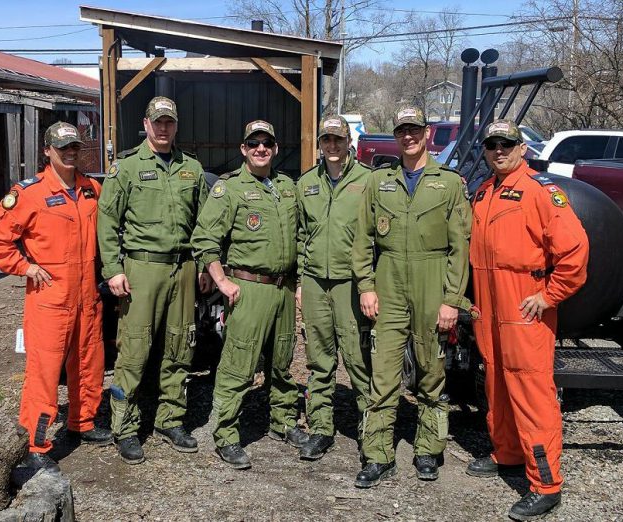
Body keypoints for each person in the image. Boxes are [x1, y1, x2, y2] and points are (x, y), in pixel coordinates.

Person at [467, 119, 588, 521]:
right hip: (489, 303)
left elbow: (574, 253)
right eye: (492, 144)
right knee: (497, 379)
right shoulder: (484, 191)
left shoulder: (541, 191)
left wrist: (549, 295)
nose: (499, 150)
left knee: (531, 389)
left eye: (507, 143)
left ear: (521, 148)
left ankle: (546, 484)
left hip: (523, 303)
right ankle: (508, 453)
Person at [0, 122, 111, 471]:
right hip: (50, 298)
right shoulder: (29, 193)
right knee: (44, 372)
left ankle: (83, 423)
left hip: (87, 295)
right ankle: (35, 444)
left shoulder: (91, 189)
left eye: (74, 147)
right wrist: (23, 267)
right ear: (47, 150)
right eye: (62, 147)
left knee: (89, 362)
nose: (69, 152)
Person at [351, 105, 471, 487]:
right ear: (395, 135)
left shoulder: (449, 184)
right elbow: (363, 240)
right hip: (388, 281)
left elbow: (459, 249)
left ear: (427, 134)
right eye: (402, 130)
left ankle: (427, 450)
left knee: (430, 370)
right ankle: (377, 454)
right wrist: (366, 287)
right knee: (383, 373)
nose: (409, 137)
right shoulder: (378, 181)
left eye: (415, 130)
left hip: (431, 280)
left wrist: (452, 299)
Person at [97, 96, 210, 464]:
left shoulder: (191, 168)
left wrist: (207, 266)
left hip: (184, 267)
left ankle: (170, 419)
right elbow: (108, 222)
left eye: (169, 122)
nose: (163, 128)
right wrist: (113, 269)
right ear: (146, 124)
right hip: (141, 268)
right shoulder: (126, 168)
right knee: (134, 348)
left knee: (181, 346)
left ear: (176, 126)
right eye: (157, 122)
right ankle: (125, 427)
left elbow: (206, 224)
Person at [191, 120, 307, 469]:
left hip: (283, 289)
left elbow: (300, 236)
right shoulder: (230, 189)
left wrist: (299, 282)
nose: (261, 149)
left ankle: (283, 421)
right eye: (254, 143)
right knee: (238, 366)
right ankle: (226, 434)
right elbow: (205, 239)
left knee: (282, 362)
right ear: (243, 149)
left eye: (267, 143)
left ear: (274, 147)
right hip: (249, 287)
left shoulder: (287, 186)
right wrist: (222, 281)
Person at [295, 115, 373, 460]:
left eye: (338, 140)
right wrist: (300, 280)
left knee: (357, 358)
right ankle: (322, 428)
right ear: (320, 144)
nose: (332, 146)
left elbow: (375, 238)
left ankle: (371, 430)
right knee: (319, 359)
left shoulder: (368, 181)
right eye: (326, 140)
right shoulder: (307, 183)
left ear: (349, 143)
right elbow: (300, 235)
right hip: (314, 281)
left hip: (350, 283)